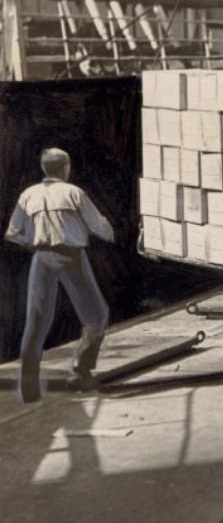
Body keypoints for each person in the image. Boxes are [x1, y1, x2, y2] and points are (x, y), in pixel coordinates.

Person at [4, 148, 114, 403]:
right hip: (71, 257)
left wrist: (32, 242)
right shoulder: (73, 192)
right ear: (65, 167)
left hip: (41, 259)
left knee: (36, 323)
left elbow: (12, 232)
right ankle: (80, 370)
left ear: (44, 169)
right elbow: (100, 227)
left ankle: (29, 388)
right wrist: (111, 234)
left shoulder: (27, 194)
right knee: (96, 316)